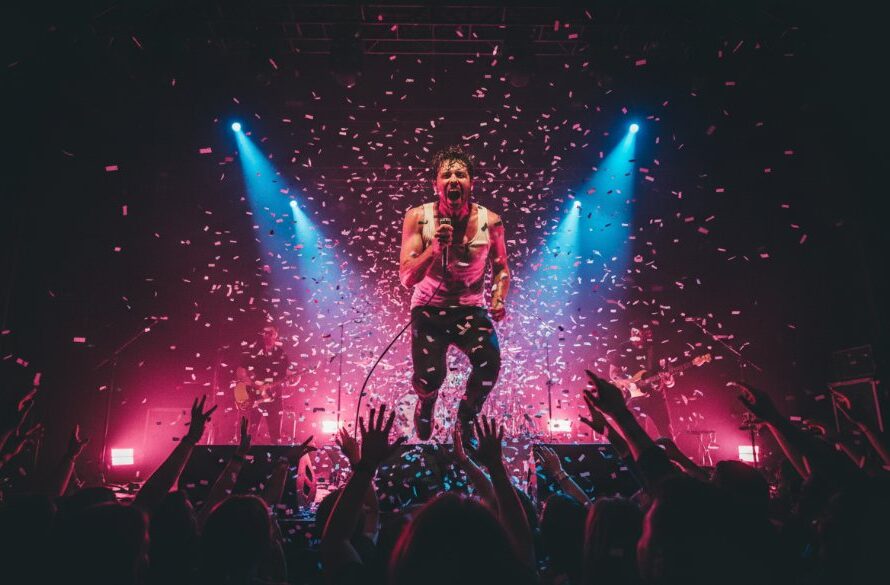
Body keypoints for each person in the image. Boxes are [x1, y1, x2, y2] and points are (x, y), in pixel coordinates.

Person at [398, 145, 510, 441]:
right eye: (446, 174)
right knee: (430, 377)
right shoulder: (418, 218)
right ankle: (426, 404)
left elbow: (501, 269)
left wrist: (499, 297)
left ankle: (466, 417)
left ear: (471, 183)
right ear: (435, 184)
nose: (453, 179)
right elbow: (407, 276)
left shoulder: (492, 221)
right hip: (428, 309)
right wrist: (433, 251)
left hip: (470, 309)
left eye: (460, 174)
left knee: (490, 363)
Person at [608, 325, 675, 440]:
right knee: (637, 437)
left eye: (638, 333)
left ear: (646, 334)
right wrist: (622, 381)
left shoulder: (657, 347)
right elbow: (613, 372)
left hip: (656, 397)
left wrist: (669, 381)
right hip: (634, 398)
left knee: (667, 434)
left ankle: (669, 457)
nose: (635, 336)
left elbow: (670, 381)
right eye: (633, 332)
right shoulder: (623, 348)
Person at [235, 324, 290, 444]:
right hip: (254, 396)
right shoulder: (254, 351)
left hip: (274, 398)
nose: (267, 336)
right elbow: (240, 370)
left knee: (275, 435)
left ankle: (275, 459)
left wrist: (294, 379)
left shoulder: (281, 353)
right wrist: (250, 383)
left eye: (270, 333)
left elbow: (287, 373)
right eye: (265, 333)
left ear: (276, 335)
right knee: (250, 433)